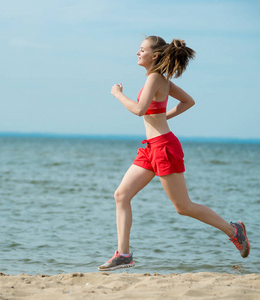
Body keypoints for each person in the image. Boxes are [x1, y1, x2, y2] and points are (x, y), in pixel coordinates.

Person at [98, 36, 250, 271]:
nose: (137, 53)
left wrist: (118, 94)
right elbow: (188, 101)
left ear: (155, 56)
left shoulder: (155, 78)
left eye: (141, 50)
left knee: (183, 207)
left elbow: (139, 110)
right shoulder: (160, 80)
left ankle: (234, 230)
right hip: (150, 147)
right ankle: (124, 254)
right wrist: (160, 117)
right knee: (121, 195)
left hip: (163, 147)